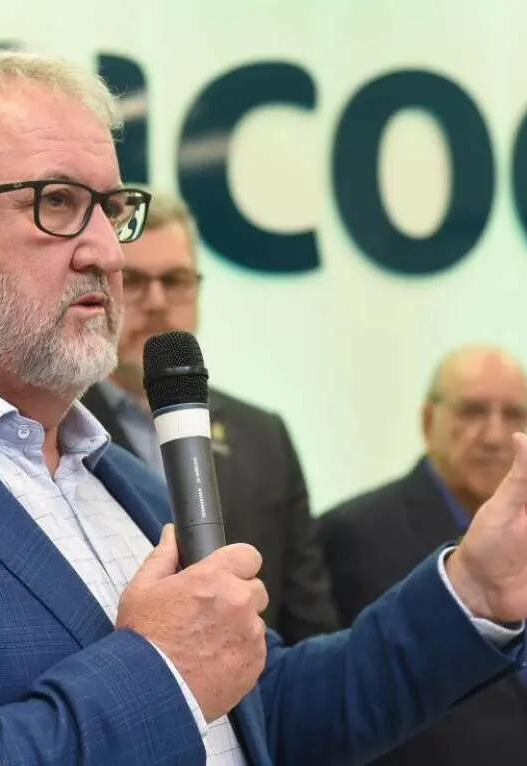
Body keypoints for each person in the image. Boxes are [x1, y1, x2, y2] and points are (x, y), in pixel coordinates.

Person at [0, 49, 527, 766]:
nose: (108, 253)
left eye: (112, 211)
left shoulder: (120, 478)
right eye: (57, 203)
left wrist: (472, 593)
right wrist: (156, 676)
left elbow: (267, 714)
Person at [81, 187, 338, 644]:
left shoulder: (263, 436)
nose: (157, 302)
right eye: (134, 281)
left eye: (175, 280)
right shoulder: (62, 428)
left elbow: (308, 621)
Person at [316, 345, 527, 765]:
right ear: (428, 420)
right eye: (472, 411)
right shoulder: (352, 534)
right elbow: (336, 698)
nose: (494, 436)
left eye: (513, 415)